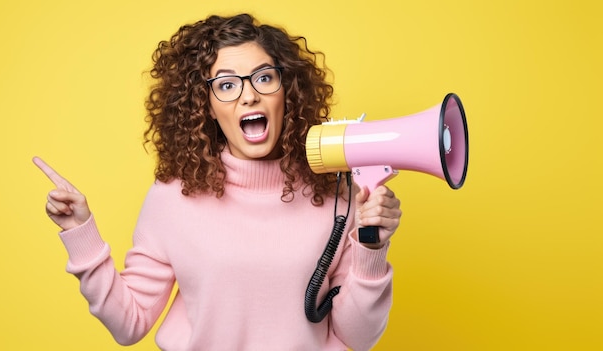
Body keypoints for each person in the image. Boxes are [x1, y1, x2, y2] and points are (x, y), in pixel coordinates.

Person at [33, 13, 402, 351]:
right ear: (206, 104)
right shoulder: (174, 197)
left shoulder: (337, 193)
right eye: (226, 85)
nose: (249, 95)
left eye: (263, 77)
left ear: (286, 89)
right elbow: (128, 324)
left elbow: (359, 336)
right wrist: (81, 233)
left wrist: (372, 247)